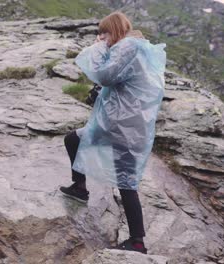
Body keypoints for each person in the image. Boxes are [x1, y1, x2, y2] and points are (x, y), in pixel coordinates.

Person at [59, 12, 166, 254]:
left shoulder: (127, 45)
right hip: (120, 123)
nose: (102, 37)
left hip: (122, 128)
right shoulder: (136, 48)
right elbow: (120, 82)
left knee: (126, 182)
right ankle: (79, 187)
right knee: (73, 139)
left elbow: (106, 76)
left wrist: (96, 49)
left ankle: (137, 241)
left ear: (114, 30)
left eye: (105, 33)